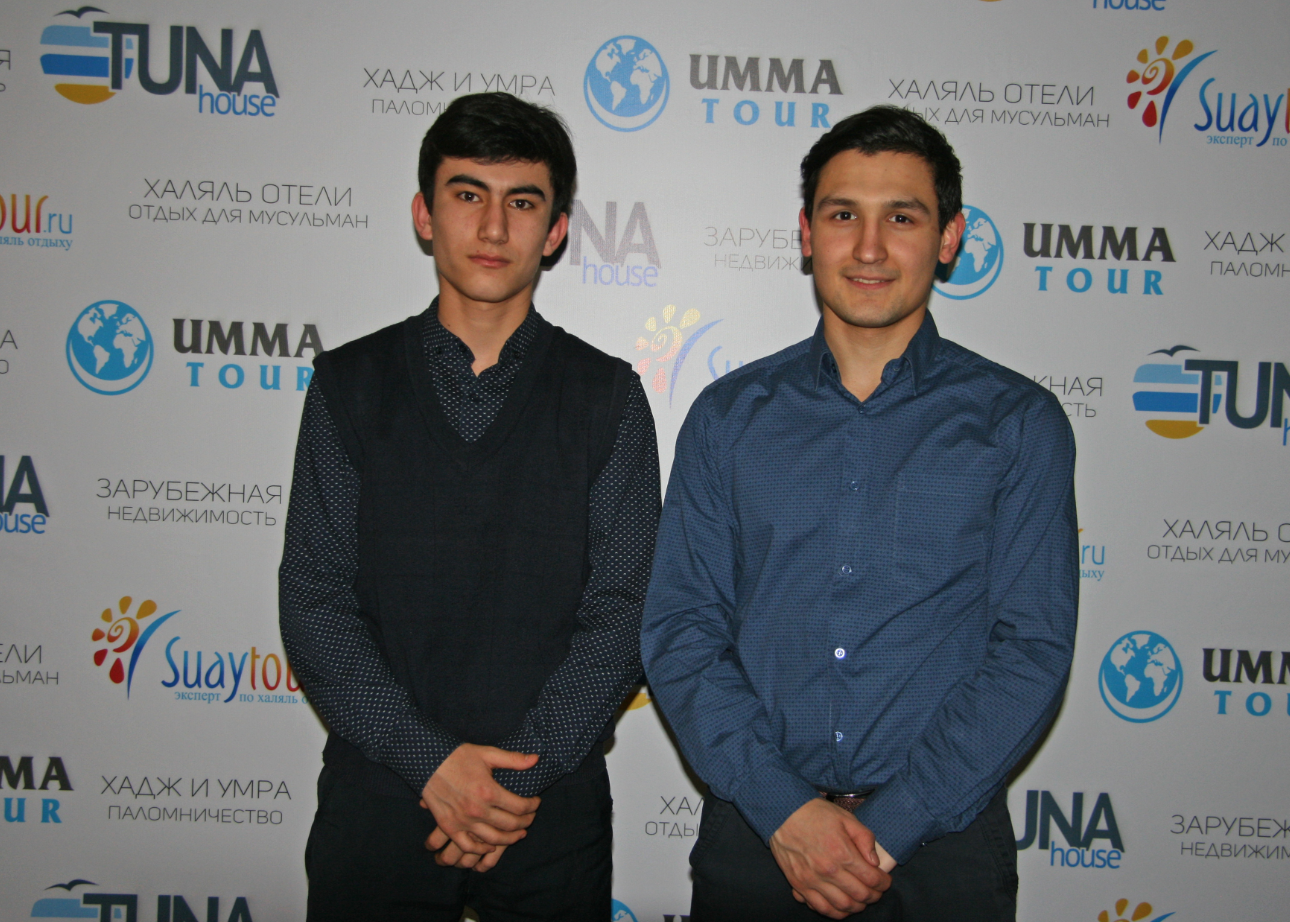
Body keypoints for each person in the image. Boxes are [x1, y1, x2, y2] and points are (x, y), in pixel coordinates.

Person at [640, 105, 1078, 921]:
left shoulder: (1017, 423)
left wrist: (891, 826)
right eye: (844, 215)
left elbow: (1031, 649)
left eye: (901, 218)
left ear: (949, 238)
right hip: (758, 839)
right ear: (807, 234)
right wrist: (785, 811)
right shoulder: (728, 418)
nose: (869, 247)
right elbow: (681, 629)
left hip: (944, 852)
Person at [280, 92, 660, 921]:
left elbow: (626, 609)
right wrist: (432, 764)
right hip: (379, 800)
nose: (493, 226)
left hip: (548, 809)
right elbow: (314, 599)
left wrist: (513, 779)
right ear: (425, 215)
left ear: (555, 230)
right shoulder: (349, 386)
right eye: (467, 195)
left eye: (522, 202)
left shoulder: (607, 398)